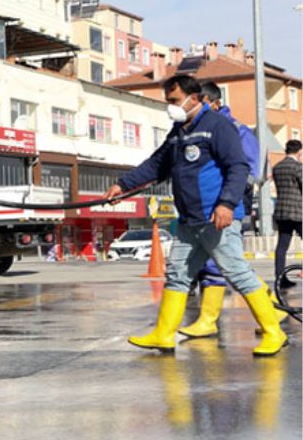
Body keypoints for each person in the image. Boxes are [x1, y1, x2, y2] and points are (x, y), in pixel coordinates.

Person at [103, 74, 287, 356]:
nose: (170, 107)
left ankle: (274, 332)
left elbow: (238, 167)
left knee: (236, 273)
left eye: (175, 101)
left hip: (217, 217)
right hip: (190, 220)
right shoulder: (179, 131)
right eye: (168, 101)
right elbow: (157, 164)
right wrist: (122, 185)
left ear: (195, 98)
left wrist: (226, 204)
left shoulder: (218, 126)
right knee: (177, 275)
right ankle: (163, 334)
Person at [178, 81, 268, 338]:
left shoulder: (236, 130)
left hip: (229, 207)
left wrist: (229, 197)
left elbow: (254, 171)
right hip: (205, 208)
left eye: (201, 103)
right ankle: (212, 319)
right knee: (221, 262)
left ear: (215, 103)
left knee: (224, 262)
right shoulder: (198, 130)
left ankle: (209, 319)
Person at [272, 139, 302, 288]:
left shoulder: (277, 167)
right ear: (299, 151)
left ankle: (280, 278)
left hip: (281, 211)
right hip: (298, 211)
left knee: (282, 246)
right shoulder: (298, 167)